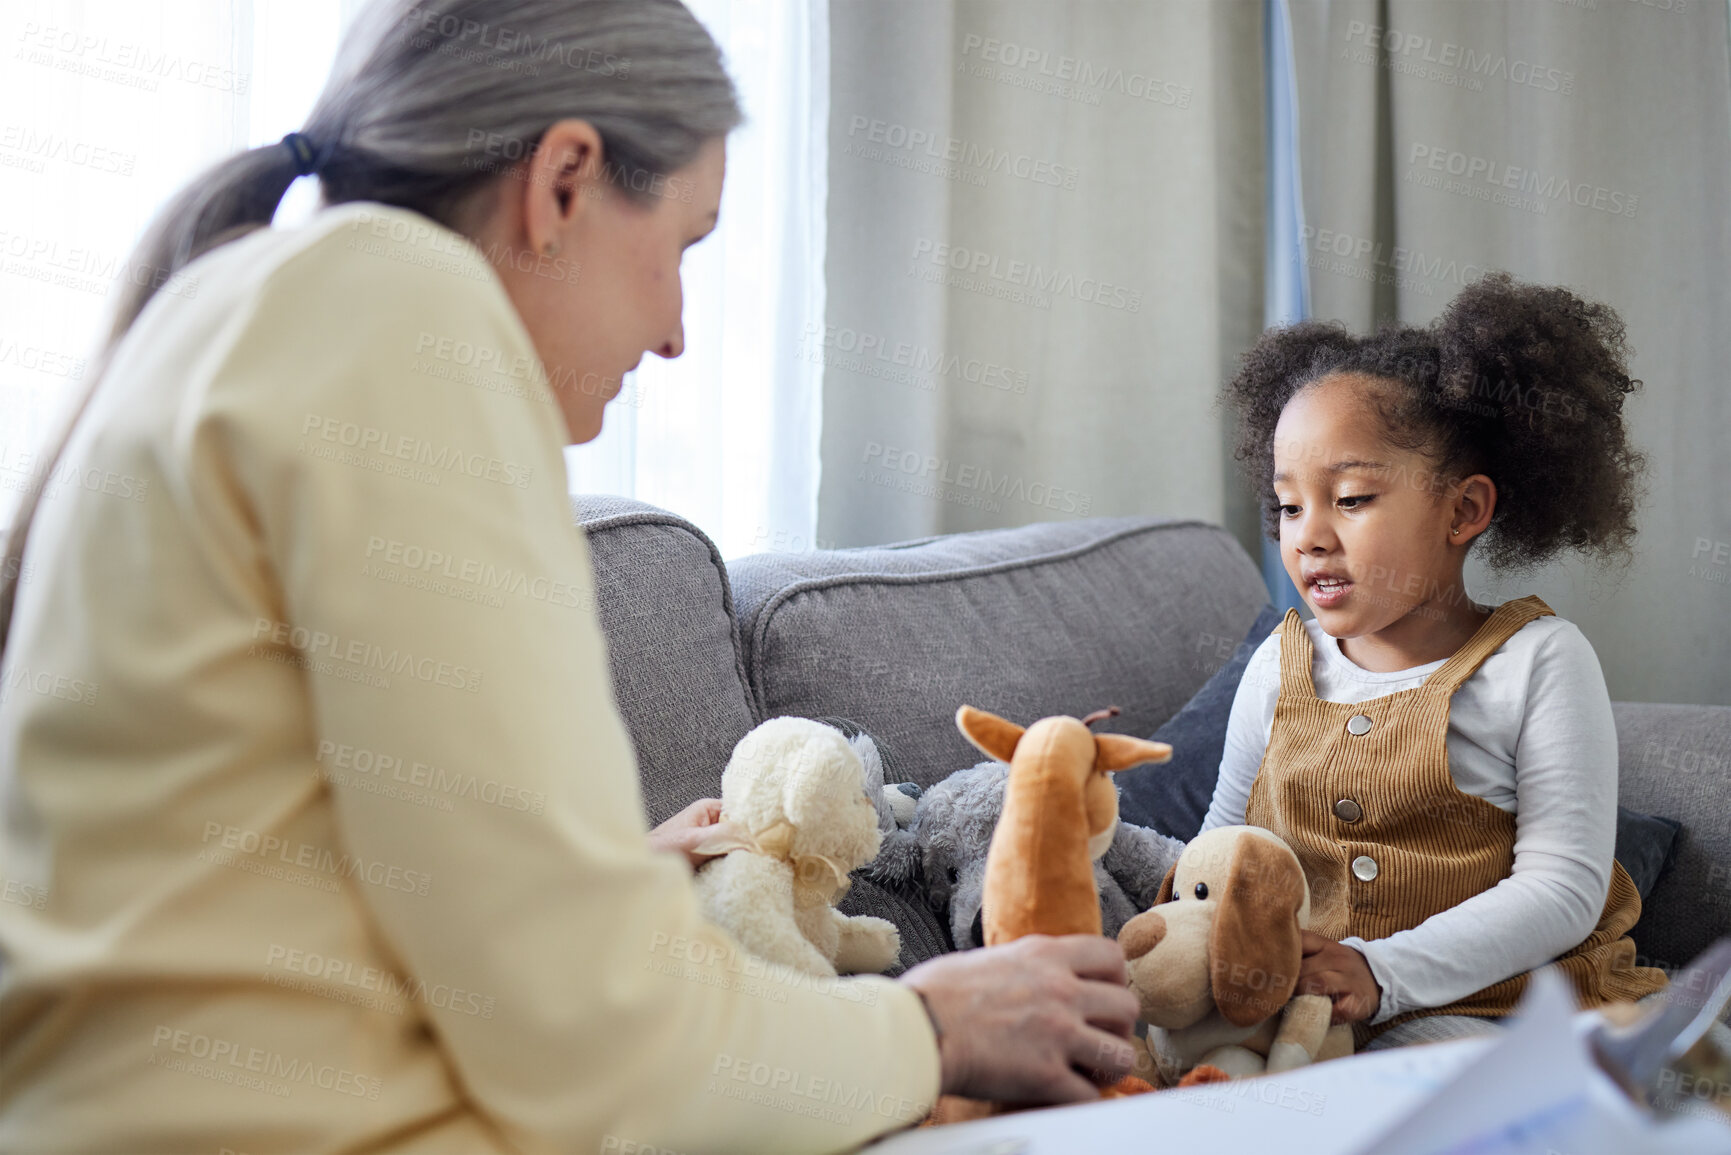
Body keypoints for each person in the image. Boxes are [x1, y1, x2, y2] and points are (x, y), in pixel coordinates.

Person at [0, 3, 1140, 1152]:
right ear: (563, 181)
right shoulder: (404, 312)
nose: (677, 332)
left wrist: (601, 882)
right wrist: (924, 1029)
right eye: (682, 249)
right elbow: (601, 1046)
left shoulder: (241, 315)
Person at [1199, 272, 1670, 1052]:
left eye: (1349, 498)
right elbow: (1224, 845)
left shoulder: (1539, 662)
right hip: (1312, 1010)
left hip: (1504, 1012)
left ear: (1463, 510)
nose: (1307, 534)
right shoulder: (1275, 670)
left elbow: (1561, 889)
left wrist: (1379, 970)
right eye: (1287, 505)